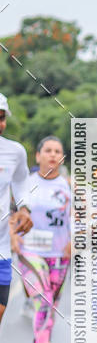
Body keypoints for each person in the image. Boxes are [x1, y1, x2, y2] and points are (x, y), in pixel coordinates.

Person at [12, 136, 71, 343]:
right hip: (31, 253)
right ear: (38, 156)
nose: (53, 155)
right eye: (48, 150)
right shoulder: (25, 184)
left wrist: (73, 241)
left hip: (59, 256)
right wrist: (14, 238)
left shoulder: (69, 186)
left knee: (50, 307)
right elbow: (12, 213)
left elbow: (76, 219)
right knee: (44, 302)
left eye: (58, 151)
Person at [0, 93, 32, 328]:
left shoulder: (15, 151)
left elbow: (21, 181)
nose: (0, 123)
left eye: (2, 118)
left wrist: (24, 208)